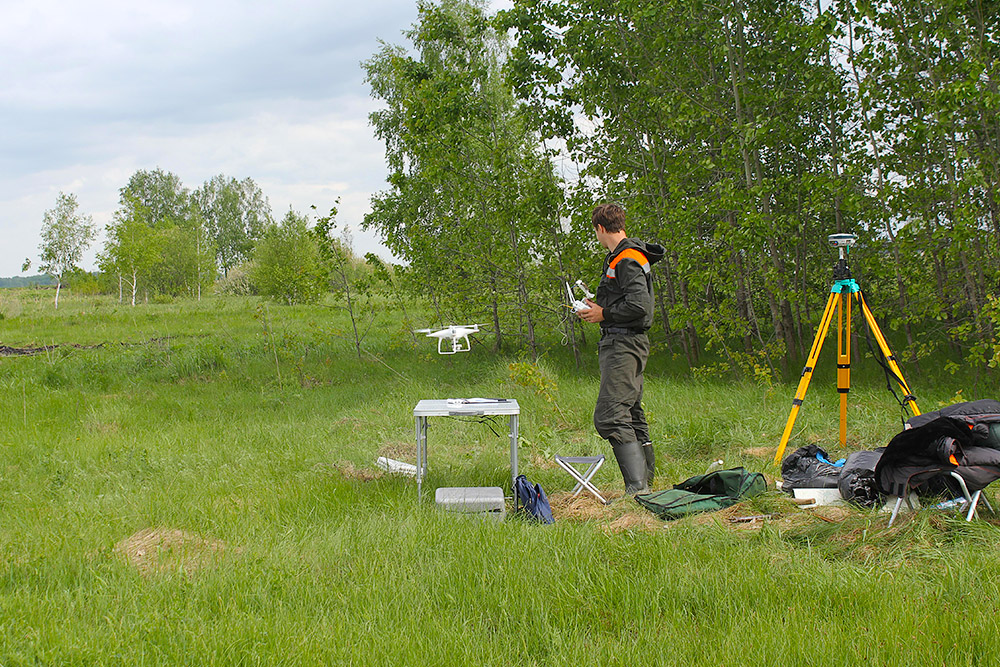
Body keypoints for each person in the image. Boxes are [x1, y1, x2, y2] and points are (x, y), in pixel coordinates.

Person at [577, 203, 665, 495]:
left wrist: (604, 315)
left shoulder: (627, 258)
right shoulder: (623, 256)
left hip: (625, 345)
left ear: (600, 229)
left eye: (596, 233)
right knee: (631, 412)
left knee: (610, 415)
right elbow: (626, 301)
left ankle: (637, 490)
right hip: (624, 342)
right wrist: (599, 309)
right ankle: (644, 488)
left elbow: (641, 307)